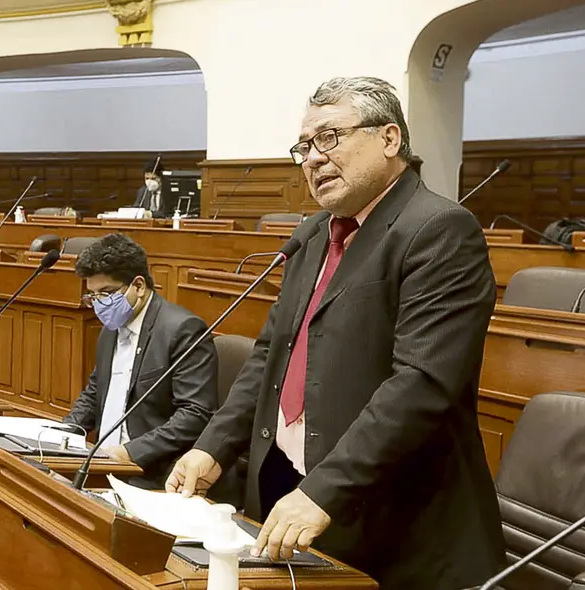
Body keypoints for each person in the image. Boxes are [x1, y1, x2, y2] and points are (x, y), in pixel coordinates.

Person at [166, 76, 505, 590]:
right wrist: (212, 447)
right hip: (293, 493)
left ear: (389, 138)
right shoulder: (314, 234)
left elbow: (420, 384)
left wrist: (324, 490)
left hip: (393, 521)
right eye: (304, 146)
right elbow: (271, 357)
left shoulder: (439, 228)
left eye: (329, 137)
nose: (313, 159)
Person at [63, 233, 218, 489]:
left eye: (106, 293)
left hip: (151, 472)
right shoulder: (111, 329)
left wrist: (130, 452)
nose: (99, 305)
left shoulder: (182, 330)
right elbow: (95, 391)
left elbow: (195, 414)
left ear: (138, 286)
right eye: (93, 295)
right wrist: (64, 433)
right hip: (102, 463)